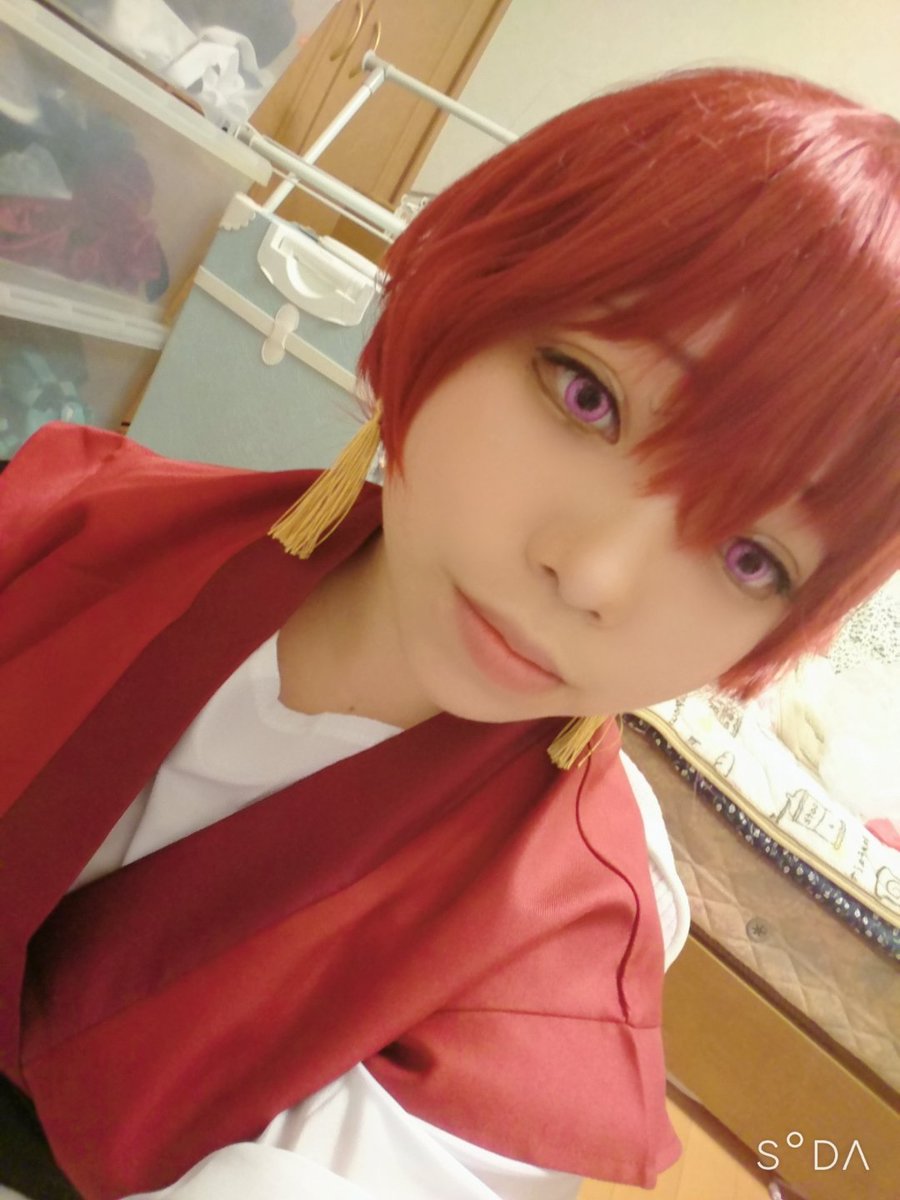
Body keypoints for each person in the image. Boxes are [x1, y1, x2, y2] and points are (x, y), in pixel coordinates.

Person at [1, 66, 898, 1200]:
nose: (593, 576)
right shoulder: (67, 518)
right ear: (467, 292)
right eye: (589, 397)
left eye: (750, 558)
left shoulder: (554, 965)